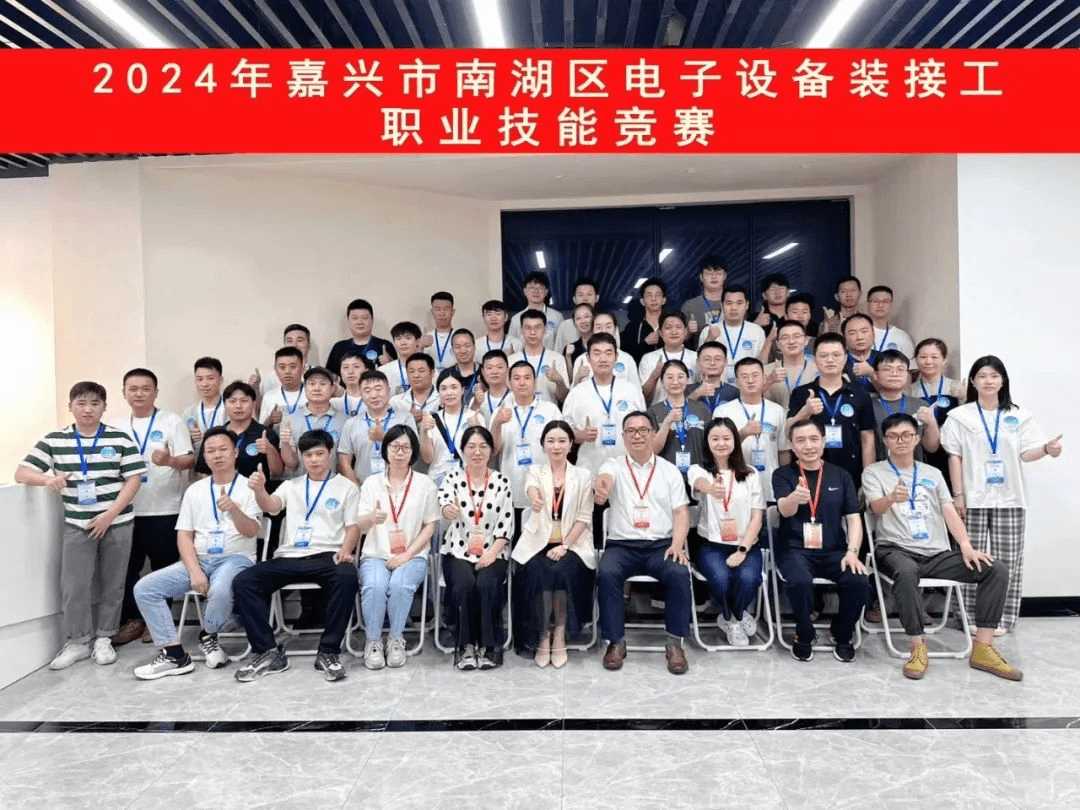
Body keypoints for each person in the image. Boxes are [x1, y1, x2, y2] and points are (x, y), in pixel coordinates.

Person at [863, 414, 1021, 681]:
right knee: (906, 572)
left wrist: (966, 546)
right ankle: (917, 647)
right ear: (885, 440)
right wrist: (891, 498)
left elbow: (949, 511)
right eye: (893, 436)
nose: (900, 440)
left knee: (995, 569)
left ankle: (983, 648)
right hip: (894, 549)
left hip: (936, 554)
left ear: (916, 439)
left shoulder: (933, 474)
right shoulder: (874, 472)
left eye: (906, 435)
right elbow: (875, 508)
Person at [16, 381, 144, 669]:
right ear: (70, 406)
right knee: (74, 585)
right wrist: (48, 479)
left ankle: (105, 638)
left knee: (113, 584)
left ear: (104, 407)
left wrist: (110, 514)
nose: (88, 409)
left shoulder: (119, 438)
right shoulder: (55, 439)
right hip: (77, 523)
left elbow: (133, 479)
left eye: (95, 403)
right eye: (81, 403)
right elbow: (22, 472)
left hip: (117, 522)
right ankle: (78, 642)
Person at [940, 355, 1063, 633]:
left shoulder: (1019, 416)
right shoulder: (960, 416)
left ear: (1003, 381)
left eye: (994, 376)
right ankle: (969, 617)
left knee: (1008, 560)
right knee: (969, 558)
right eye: (982, 376)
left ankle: (1002, 619)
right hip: (972, 498)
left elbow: (1026, 453)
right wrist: (958, 495)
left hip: (1010, 498)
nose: (988, 381)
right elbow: (954, 457)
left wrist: (1047, 449)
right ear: (973, 382)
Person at [132, 427, 261, 679]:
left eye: (223, 449)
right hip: (199, 560)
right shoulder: (195, 490)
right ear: (204, 456)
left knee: (220, 589)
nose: (217, 455)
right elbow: (184, 535)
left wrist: (234, 510)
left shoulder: (249, 488)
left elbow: (251, 531)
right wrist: (194, 571)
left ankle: (208, 635)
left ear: (235, 453)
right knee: (145, 588)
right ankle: (174, 655)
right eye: (210, 450)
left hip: (236, 559)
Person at [238, 430, 360, 682]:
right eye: (308, 455)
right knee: (244, 581)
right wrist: (260, 490)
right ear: (302, 457)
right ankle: (267, 651)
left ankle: (328, 652)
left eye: (319, 454)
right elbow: (272, 506)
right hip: (290, 555)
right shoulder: (291, 485)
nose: (314, 459)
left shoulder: (347, 487)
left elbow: (353, 527)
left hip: (328, 554)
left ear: (330, 454)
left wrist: (346, 550)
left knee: (347, 576)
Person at [594, 411, 693, 675]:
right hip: (622, 545)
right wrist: (601, 488)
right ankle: (615, 642)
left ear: (653, 433)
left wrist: (677, 544)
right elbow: (604, 479)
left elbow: (681, 512)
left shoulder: (669, 471)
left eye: (643, 430)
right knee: (607, 573)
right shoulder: (613, 465)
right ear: (623, 436)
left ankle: (675, 644)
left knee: (679, 573)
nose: (637, 435)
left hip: (661, 545)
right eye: (631, 431)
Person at [772, 420, 869, 662]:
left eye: (814, 439)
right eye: (800, 440)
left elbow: (854, 519)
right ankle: (804, 634)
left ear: (824, 442)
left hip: (835, 551)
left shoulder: (841, 475)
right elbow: (783, 510)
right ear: (791, 445)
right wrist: (794, 498)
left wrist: (852, 552)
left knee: (859, 581)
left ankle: (842, 633)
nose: (808, 446)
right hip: (795, 550)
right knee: (800, 581)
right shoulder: (783, 474)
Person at [114, 368, 195, 646]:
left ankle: (158, 621)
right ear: (124, 393)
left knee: (164, 569)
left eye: (145, 388)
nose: (139, 394)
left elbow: (188, 459)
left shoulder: (172, 421)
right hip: (126, 511)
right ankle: (133, 620)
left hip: (165, 509)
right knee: (127, 569)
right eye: (133, 389)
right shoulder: (116, 427)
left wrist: (170, 461)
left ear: (156, 392)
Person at [356, 425, 440, 670]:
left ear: (413, 452)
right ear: (385, 450)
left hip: (412, 554)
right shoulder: (371, 483)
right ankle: (373, 641)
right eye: (395, 447)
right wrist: (372, 518)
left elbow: (431, 524)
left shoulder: (425, 484)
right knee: (375, 586)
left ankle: (395, 640)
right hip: (375, 553)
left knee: (400, 585)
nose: (400, 452)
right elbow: (359, 524)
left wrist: (407, 554)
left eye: (406, 447)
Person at [514, 421, 596, 668]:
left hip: (573, 543)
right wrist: (535, 499)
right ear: (543, 445)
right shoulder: (535, 471)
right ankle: (542, 634)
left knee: (562, 572)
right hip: (539, 542)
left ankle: (559, 632)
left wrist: (565, 546)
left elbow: (584, 518)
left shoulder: (583, 475)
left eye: (562, 441)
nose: (556, 446)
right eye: (551, 441)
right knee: (537, 573)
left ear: (571, 445)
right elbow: (530, 488)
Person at [437, 426, 514, 669]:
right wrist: (447, 510)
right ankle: (466, 646)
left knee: (486, 584)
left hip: (494, 550)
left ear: (491, 450)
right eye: (471, 446)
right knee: (465, 584)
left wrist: (492, 554)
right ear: (463, 450)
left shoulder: (502, 482)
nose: (477, 452)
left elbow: (506, 524)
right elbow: (444, 503)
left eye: (483, 446)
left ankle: (489, 646)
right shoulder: (452, 478)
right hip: (457, 550)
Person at [688, 418, 766, 646]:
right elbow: (699, 483)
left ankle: (734, 616)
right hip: (711, 546)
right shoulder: (698, 470)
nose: (721, 443)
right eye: (715, 438)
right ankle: (734, 618)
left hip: (747, 544)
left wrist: (743, 549)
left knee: (748, 578)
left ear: (735, 441)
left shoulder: (751, 474)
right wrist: (711, 489)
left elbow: (757, 516)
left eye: (726, 438)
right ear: (707, 442)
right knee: (721, 580)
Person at [787, 333, 876, 487]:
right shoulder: (801, 393)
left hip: (851, 474)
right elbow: (788, 431)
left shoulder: (860, 394)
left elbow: (867, 439)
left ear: (845, 358)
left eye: (836, 355)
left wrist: (868, 480)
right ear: (815, 360)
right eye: (823, 355)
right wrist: (806, 411)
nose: (830, 360)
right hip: (809, 474)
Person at [491, 361, 563, 529]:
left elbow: (562, 448)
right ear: (509, 383)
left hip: (544, 489)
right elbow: (494, 450)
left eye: (527, 378)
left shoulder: (550, 410)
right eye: (516, 378)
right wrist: (497, 423)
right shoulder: (500, 412)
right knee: (514, 540)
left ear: (535, 382)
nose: (522, 382)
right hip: (511, 489)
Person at [563, 333, 647, 476]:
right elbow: (563, 433)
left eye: (608, 353)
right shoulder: (576, 393)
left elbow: (645, 428)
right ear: (588, 358)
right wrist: (582, 435)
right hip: (590, 470)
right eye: (597, 353)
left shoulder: (631, 390)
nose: (603, 359)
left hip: (628, 471)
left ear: (616, 357)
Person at [715, 358, 791, 502]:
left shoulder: (777, 411)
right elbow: (717, 451)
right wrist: (743, 433)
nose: (750, 380)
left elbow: (783, 451)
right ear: (737, 382)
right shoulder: (723, 412)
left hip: (770, 487)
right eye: (744, 377)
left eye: (755, 375)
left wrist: (786, 481)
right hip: (736, 486)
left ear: (764, 378)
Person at [338, 370, 417, 486]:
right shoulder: (351, 424)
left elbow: (414, 452)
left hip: (399, 487)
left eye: (378, 389)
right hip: (364, 487)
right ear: (361, 394)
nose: (374, 395)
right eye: (367, 391)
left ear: (389, 390)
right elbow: (344, 461)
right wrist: (356, 488)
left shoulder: (405, 419)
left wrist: (384, 437)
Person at [193, 381, 283, 480]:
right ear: (224, 404)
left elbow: (278, 472)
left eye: (244, 401)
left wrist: (269, 450)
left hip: (257, 488)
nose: (238, 406)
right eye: (232, 401)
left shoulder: (266, 434)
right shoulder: (214, 435)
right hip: (221, 488)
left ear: (253, 403)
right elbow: (204, 472)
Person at [907, 338, 965, 479]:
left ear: (944, 360)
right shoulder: (909, 391)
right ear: (916, 360)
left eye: (934, 357)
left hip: (950, 450)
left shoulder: (956, 388)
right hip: (920, 450)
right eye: (923, 357)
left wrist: (965, 399)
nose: (928, 362)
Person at [869, 350, 939, 462]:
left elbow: (932, 448)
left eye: (900, 369)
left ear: (907, 375)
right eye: (887, 369)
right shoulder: (867, 406)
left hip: (915, 469)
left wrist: (931, 424)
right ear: (875, 375)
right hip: (879, 469)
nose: (894, 374)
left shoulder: (921, 405)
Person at [281, 366, 348, 477]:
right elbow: (291, 464)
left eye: (323, 384)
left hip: (335, 482)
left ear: (332, 388)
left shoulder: (345, 420)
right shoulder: (290, 419)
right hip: (302, 483)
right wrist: (285, 443)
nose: (317, 388)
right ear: (305, 389)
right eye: (312, 384)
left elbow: (345, 462)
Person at [649, 359, 712, 477]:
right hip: (665, 476)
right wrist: (667, 422)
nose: (675, 381)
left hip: (698, 475)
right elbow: (652, 450)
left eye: (680, 377)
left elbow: (711, 444)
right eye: (670, 377)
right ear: (662, 381)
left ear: (687, 380)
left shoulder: (702, 409)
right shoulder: (653, 411)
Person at [698, 286, 767, 384]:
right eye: (729, 303)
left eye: (739, 303)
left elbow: (762, 363)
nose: (734, 308)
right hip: (717, 386)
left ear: (747, 305)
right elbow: (700, 364)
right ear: (722, 305)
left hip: (748, 385)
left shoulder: (757, 331)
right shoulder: (709, 330)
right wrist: (710, 339)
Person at [427, 369, 485, 485]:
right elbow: (427, 458)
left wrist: (478, 429)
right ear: (438, 392)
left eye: (454, 387)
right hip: (438, 481)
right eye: (444, 388)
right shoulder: (431, 420)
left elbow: (485, 453)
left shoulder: (475, 417)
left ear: (462, 389)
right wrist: (424, 432)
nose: (449, 393)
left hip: (469, 481)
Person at [509, 309, 570, 405]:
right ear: (521, 331)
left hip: (549, 413)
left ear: (545, 330)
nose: (533, 332)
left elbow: (564, 398)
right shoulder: (511, 361)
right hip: (519, 413)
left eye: (537, 327)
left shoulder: (557, 359)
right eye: (528, 328)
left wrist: (559, 381)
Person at [570, 311, 641, 389]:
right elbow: (573, 394)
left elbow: (637, 391)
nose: (603, 331)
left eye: (608, 327)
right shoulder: (581, 360)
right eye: (599, 327)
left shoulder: (627, 359)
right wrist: (578, 378)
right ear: (592, 330)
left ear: (615, 328)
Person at [325, 299, 395, 377]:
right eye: (355, 318)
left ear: (372, 320)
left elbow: (397, 376)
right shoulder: (339, 347)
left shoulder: (384, 345)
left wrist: (390, 364)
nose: (360, 322)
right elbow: (330, 378)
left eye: (364, 318)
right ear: (348, 321)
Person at [639, 312, 698, 405]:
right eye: (668, 328)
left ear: (685, 331)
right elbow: (644, 397)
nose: (674, 332)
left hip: (691, 411)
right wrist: (655, 375)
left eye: (678, 327)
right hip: (659, 411)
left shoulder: (696, 358)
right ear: (660, 333)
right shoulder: (648, 358)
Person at [763, 319, 818, 409]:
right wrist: (769, 381)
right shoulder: (766, 371)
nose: (791, 341)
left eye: (797, 336)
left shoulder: (819, 369)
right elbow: (751, 401)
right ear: (778, 344)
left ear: (806, 340)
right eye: (785, 338)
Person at [508, 271, 563, 350]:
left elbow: (561, 345)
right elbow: (510, 347)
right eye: (532, 287)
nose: (536, 291)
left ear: (546, 292)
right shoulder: (516, 319)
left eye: (540, 287)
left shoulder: (557, 317)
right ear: (525, 291)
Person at [680, 255, 727, 345]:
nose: (714, 277)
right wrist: (688, 331)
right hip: (701, 352)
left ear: (725, 276)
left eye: (718, 273)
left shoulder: (734, 303)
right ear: (701, 277)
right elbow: (677, 341)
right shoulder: (690, 306)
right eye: (709, 273)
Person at [258, 346, 307, 428]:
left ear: (302, 368)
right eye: (282, 367)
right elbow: (261, 429)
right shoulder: (269, 397)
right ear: (275, 369)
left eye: (292, 367)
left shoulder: (313, 394)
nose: (287, 371)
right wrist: (270, 420)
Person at [182, 357, 225, 451]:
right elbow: (181, 445)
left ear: (220, 380)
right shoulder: (189, 412)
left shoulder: (230, 408)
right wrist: (189, 439)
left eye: (210, 378)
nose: (204, 384)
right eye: (200, 379)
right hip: (198, 459)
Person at [622, 277, 667, 362]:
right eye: (649, 295)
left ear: (663, 300)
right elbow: (626, 358)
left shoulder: (672, 324)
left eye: (657, 295)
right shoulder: (632, 327)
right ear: (642, 301)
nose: (653, 299)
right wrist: (645, 343)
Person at [866, 285, 916, 360]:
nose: (880, 305)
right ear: (867, 304)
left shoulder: (902, 336)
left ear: (891, 304)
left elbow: (909, 365)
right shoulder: (858, 333)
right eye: (876, 301)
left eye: (885, 301)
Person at [687, 341, 740, 412]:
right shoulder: (685, 390)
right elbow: (677, 413)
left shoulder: (735, 393)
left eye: (717, 359)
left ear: (725, 362)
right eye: (707, 359)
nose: (712, 363)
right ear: (698, 362)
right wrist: (695, 395)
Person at [554, 276, 600, 353]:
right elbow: (558, 354)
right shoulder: (565, 326)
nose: (585, 298)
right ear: (574, 299)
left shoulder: (606, 324)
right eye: (580, 295)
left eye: (589, 294)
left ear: (597, 298)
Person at [391, 353, 440, 422]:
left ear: (432, 373)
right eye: (411, 371)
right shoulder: (396, 402)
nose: (416, 375)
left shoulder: (442, 399)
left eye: (421, 371)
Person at [379, 321, 423, 396]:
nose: (403, 343)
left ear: (418, 341)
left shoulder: (429, 369)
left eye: (408, 338)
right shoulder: (383, 371)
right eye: (398, 339)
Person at [842, 313, 879, 394]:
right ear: (844, 338)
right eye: (852, 333)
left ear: (873, 334)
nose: (859, 337)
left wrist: (871, 373)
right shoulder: (839, 362)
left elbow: (892, 392)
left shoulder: (885, 359)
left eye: (864, 331)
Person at [422, 291, 457, 372]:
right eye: (438, 309)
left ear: (453, 312)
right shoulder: (425, 339)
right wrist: (420, 347)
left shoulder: (460, 337)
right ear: (432, 312)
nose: (442, 313)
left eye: (446, 309)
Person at [474, 349, 512, 424]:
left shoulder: (516, 398)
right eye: (489, 368)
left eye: (499, 367)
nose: (494, 372)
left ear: (508, 370)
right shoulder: (477, 401)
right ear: (483, 372)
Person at [752, 272, 790, 339]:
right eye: (772, 289)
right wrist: (755, 325)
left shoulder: (796, 316)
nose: (777, 292)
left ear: (787, 293)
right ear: (764, 295)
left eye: (781, 288)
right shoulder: (754, 318)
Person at [331, 350, 366, 418]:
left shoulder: (373, 400)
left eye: (356, 366)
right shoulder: (333, 402)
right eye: (346, 367)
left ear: (366, 370)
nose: (350, 371)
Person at [449, 328, 481, 400]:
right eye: (458, 347)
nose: (463, 351)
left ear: (474, 347)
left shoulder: (485, 372)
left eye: (467, 346)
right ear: (452, 350)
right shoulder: (446, 374)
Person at [562, 302, 595, 368]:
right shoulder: (570, 349)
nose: (583, 321)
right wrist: (568, 357)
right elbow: (568, 375)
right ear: (574, 323)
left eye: (587, 316)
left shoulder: (605, 344)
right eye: (578, 318)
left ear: (594, 318)